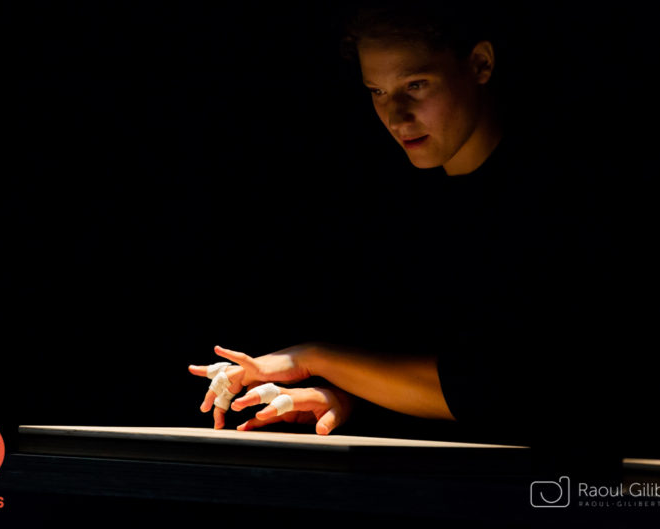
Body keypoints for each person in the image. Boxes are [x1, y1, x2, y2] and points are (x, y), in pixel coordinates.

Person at [188, 1, 631, 466]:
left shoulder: (564, 195)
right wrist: (348, 400)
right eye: (377, 91)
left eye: (415, 85)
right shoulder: (396, 205)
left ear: (480, 64)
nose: (396, 116)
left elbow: (503, 389)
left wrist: (315, 359)